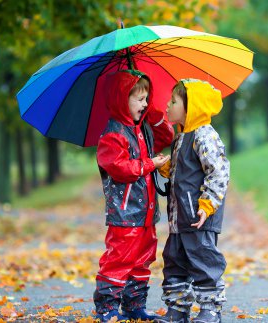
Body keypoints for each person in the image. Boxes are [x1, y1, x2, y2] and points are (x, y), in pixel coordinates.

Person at [93, 69, 173, 322]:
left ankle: (134, 306)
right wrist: (150, 164)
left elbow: (166, 136)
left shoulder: (143, 128)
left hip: (146, 211)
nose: (145, 103)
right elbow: (120, 169)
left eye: (147, 98)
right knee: (119, 259)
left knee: (143, 259)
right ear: (121, 99)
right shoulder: (112, 135)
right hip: (125, 214)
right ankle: (107, 308)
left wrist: (152, 112)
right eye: (139, 99)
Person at [155, 79, 230, 323]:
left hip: (199, 217)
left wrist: (206, 206)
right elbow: (185, 171)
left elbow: (218, 171)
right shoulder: (182, 137)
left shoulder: (204, 135)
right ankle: (178, 309)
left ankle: (210, 310)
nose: (167, 105)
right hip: (179, 220)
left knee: (204, 262)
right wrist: (166, 167)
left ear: (192, 108)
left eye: (173, 101)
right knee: (174, 262)